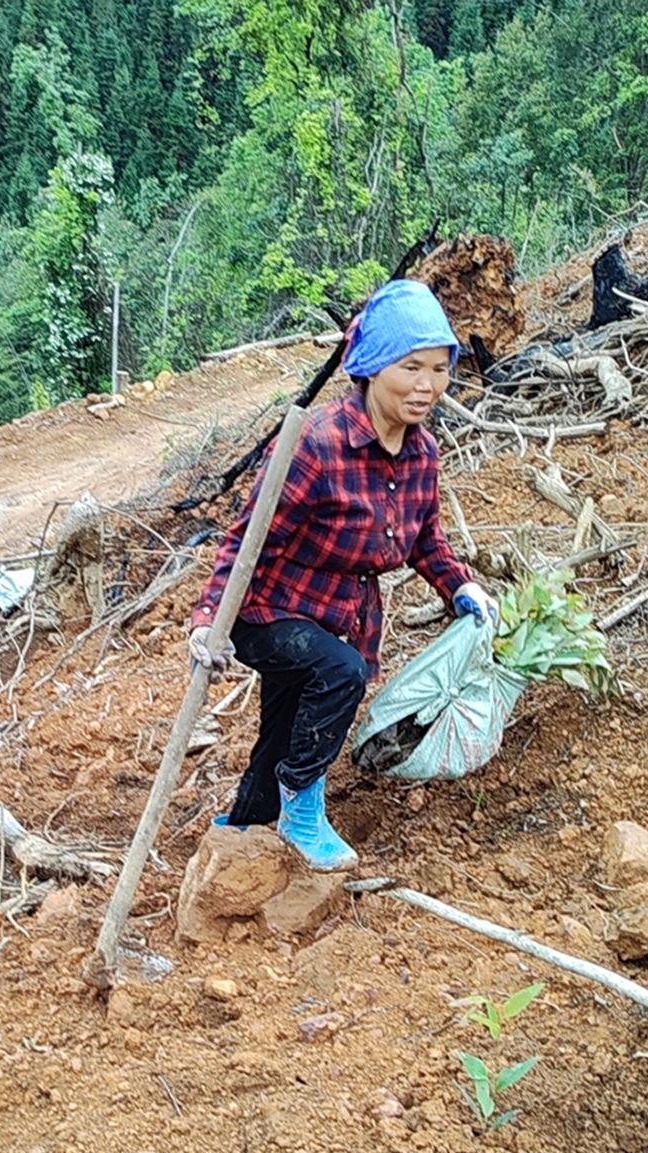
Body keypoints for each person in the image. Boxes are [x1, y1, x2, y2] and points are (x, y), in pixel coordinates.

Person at [187, 278, 496, 871]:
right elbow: (249, 540)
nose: (427, 385)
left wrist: (460, 584)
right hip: (266, 609)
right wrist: (208, 619)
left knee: (285, 720)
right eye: (411, 367)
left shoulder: (421, 453)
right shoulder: (316, 443)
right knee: (338, 674)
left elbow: (424, 536)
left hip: (339, 616)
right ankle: (303, 808)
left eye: (439, 368)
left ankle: (246, 823)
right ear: (375, 367)